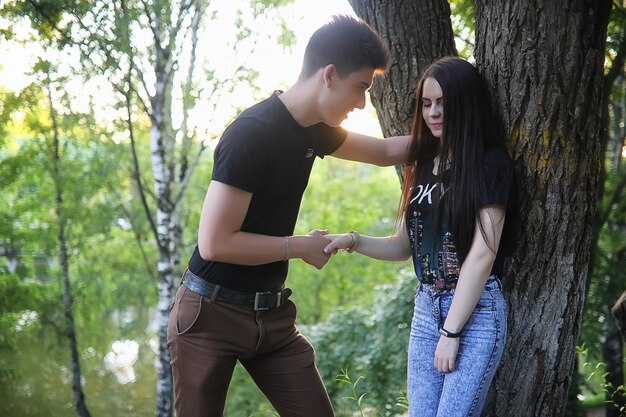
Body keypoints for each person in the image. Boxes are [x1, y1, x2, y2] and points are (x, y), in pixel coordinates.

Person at [166, 15, 410, 417]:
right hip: (209, 316)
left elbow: (385, 153)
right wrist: (300, 247)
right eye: (360, 88)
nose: (362, 102)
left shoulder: (314, 129)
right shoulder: (252, 133)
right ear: (330, 75)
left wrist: (453, 132)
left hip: (272, 319)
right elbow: (215, 243)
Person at [323, 56, 515, 416]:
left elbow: (482, 254)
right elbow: (402, 246)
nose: (433, 113)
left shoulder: (491, 164)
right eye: (426, 104)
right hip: (427, 309)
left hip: (476, 312)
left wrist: (452, 332)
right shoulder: (423, 164)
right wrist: (352, 241)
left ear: (465, 103)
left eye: (443, 103)